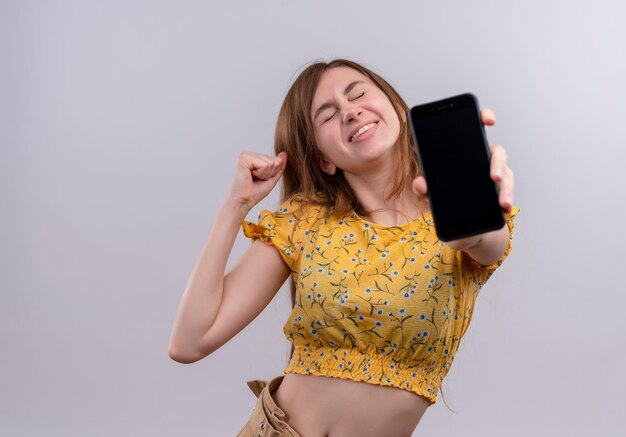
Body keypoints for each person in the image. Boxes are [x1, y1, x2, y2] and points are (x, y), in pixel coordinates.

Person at [168, 58, 519, 437]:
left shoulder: (460, 226)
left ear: (399, 109)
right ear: (323, 159)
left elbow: (485, 243)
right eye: (328, 115)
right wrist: (234, 206)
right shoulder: (305, 221)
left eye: (359, 94)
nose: (350, 112)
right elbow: (190, 342)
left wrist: (470, 216)